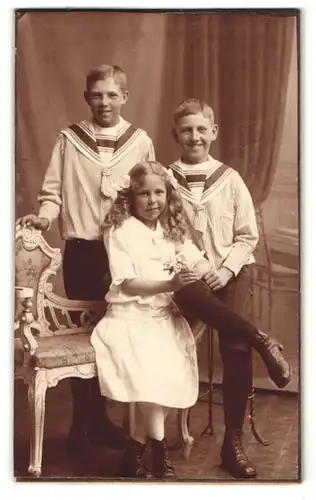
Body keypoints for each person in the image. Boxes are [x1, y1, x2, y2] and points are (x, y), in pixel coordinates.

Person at [16, 64, 155, 453]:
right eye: (97, 95)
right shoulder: (69, 140)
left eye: (112, 94)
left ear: (124, 97)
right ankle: (84, 423)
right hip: (82, 251)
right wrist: (45, 216)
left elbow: (150, 193)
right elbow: (53, 192)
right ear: (86, 98)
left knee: (115, 335)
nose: (105, 102)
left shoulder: (140, 141)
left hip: (125, 252)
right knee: (85, 333)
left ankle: (103, 419)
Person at [168, 98, 292, 479]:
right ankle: (262, 340)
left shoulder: (231, 179)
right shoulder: (166, 179)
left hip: (233, 273)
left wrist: (224, 269)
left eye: (201, 129)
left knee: (234, 352)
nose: (194, 137)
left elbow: (246, 236)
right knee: (181, 303)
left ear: (214, 133)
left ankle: (232, 442)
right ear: (177, 134)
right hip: (188, 274)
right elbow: (168, 234)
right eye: (187, 130)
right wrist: (204, 269)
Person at [90, 161, 202, 479]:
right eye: (144, 194)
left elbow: (197, 261)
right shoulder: (120, 230)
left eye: (159, 193)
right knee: (152, 377)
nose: (153, 201)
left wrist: (207, 272)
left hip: (163, 319)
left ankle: (134, 450)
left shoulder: (169, 229)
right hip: (128, 319)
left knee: (165, 377)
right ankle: (160, 451)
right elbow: (127, 283)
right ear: (130, 197)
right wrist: (171, 284)